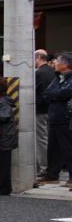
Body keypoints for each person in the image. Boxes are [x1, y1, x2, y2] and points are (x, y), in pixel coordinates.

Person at [39, 52, 72, 184]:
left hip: (66, 118)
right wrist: (56, 95)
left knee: (67, 148)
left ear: (65, 64)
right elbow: (47, 93)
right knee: (53, 148)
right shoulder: (57, 77)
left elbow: (66, 92)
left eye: (57, 61)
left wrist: (55, 95)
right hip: (54, 117)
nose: (55, 63)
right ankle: (52, 174)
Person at [35, 50, 56, 177]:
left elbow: (38, 92)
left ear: (38, 58)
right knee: (48, 137)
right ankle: (49, 165)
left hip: (41, 110)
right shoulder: (51, 71)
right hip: (50, 109)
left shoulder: (39, 73)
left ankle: (43, 166)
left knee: (41, 138)